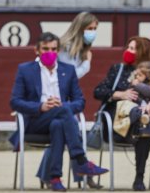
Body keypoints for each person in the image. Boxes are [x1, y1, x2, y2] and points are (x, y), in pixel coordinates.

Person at [9, 32, 109, 192]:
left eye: (54, 49)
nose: (50, 52)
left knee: (58, 123)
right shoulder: (25, 69)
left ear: (58, 50)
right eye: (45, 49)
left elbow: (80, 101)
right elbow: (15, 102)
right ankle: (81, 160)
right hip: (35, 121)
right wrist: (41, 106)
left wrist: (62, 106)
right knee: (62, 114)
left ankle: (55, 178)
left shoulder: (68, 70)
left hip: (60, 120)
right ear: (37, 50)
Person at [94, 37, 150, 191]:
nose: (128, 51)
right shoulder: (118, 69)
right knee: (145, 123)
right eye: (128, 47)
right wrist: (119, 94)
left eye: (133, 49)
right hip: (122, 122)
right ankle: (139, 177)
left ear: (143, 53)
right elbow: (98, 91)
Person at [35, 11, 99, 187]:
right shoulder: (64, 47)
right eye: (89, 28)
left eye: (95, 28)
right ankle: (81, 173)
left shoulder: (79, 48)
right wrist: (87, 64)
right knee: (66, 132)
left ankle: (47, 174)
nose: (93, 32)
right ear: (80, 28)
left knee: (62, 133)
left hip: (64, 100)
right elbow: (67, 77)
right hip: (54, 99)